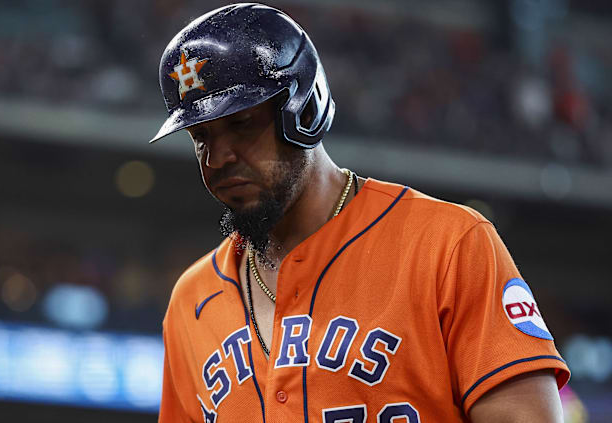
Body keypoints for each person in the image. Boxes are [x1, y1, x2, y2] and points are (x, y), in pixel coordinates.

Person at [150, 4, 570, 422]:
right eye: (201, 136)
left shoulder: (447, 245)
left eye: (241, 123)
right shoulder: (191, 300)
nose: (218, 157)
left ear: (305, 110)